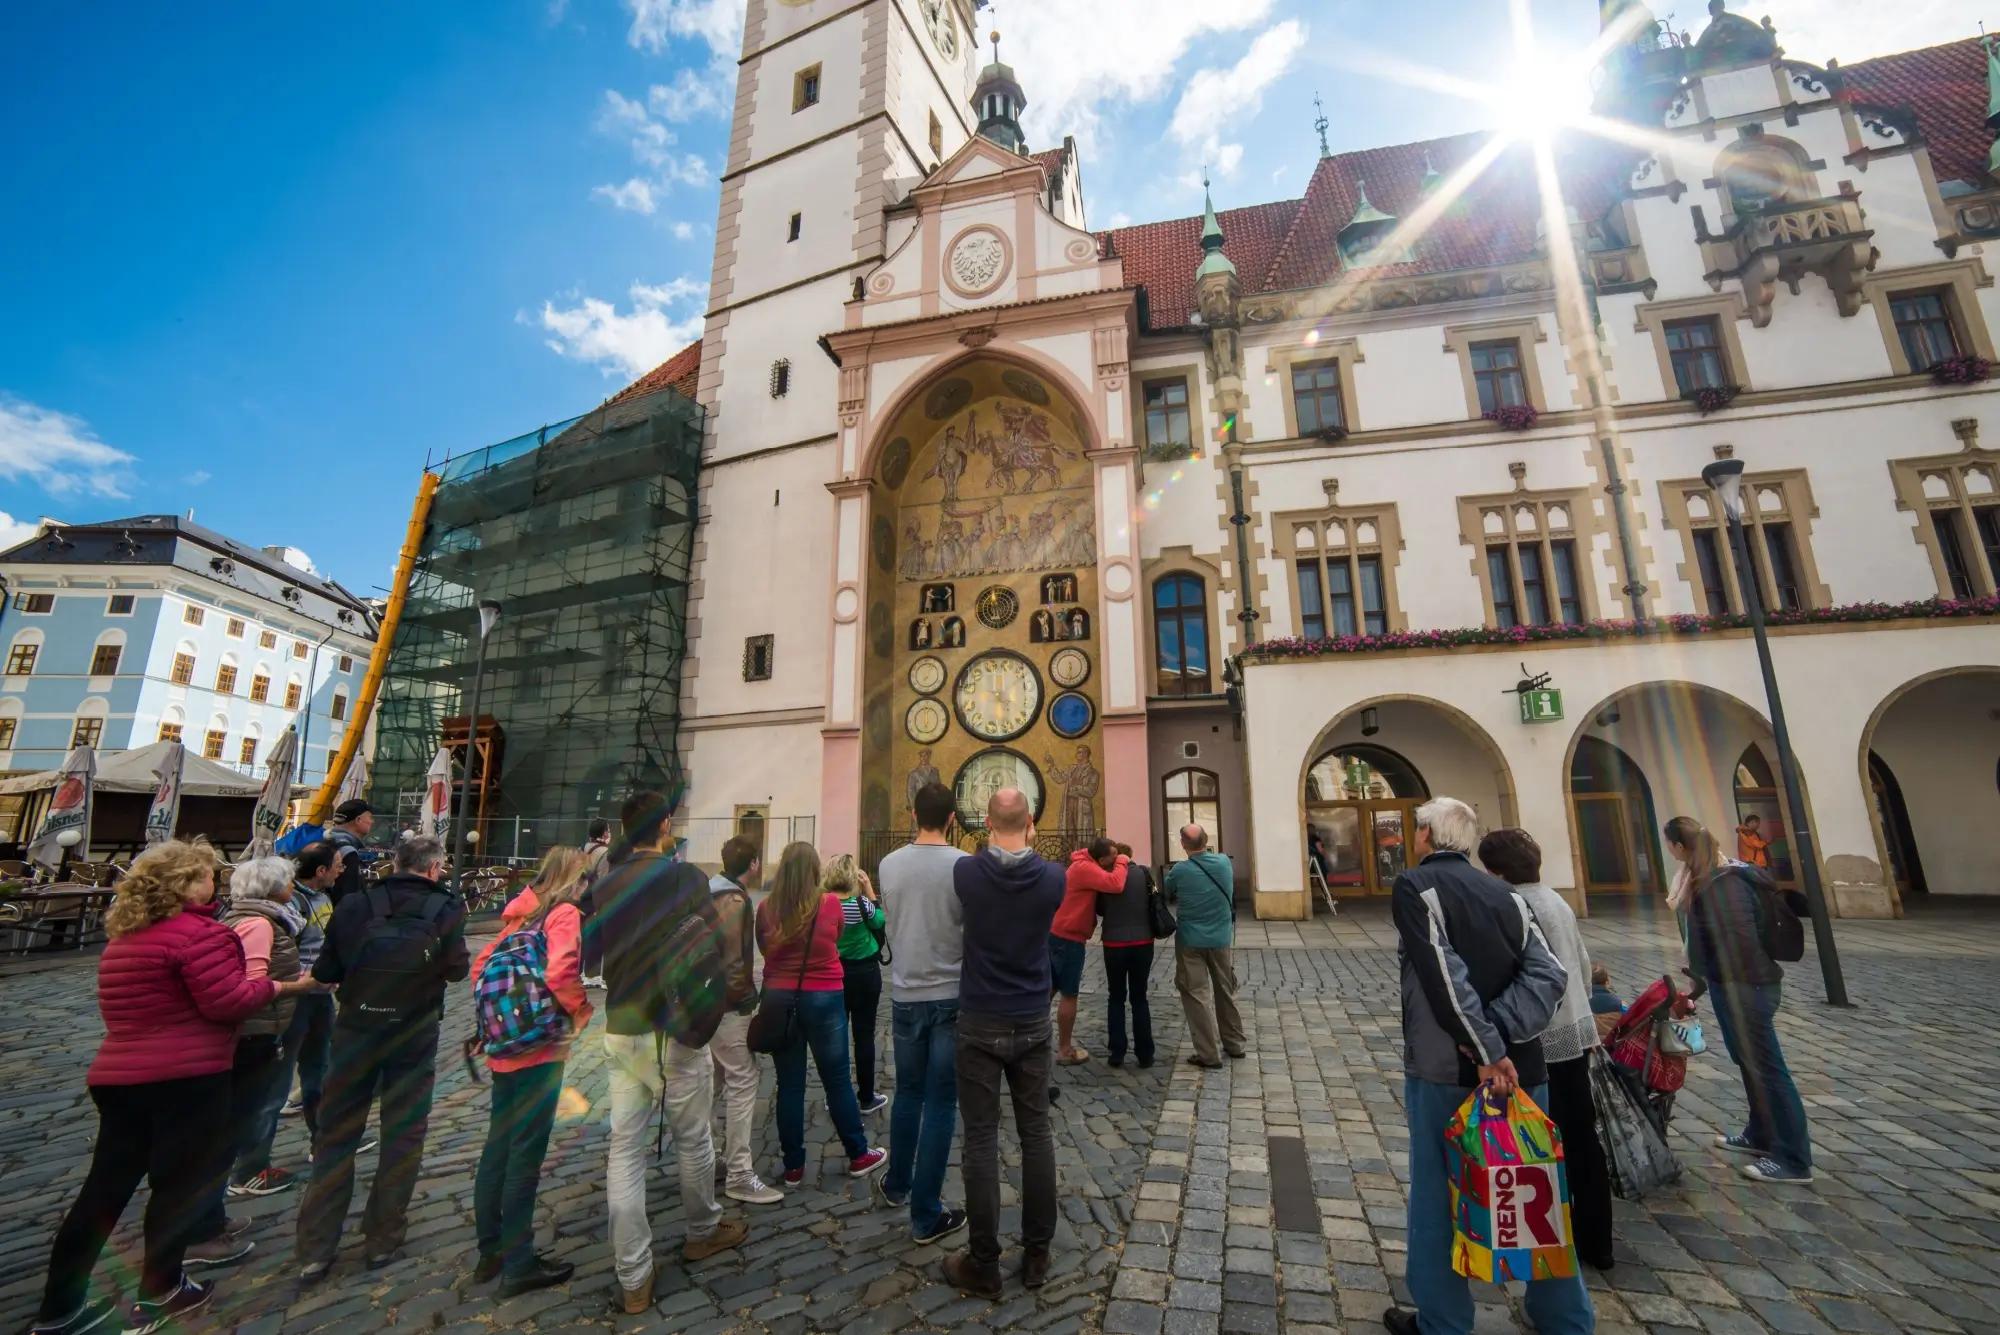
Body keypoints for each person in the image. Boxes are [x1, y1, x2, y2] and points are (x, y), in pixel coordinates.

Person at [31, 840, 319, 1335]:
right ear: (185, 884)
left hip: (120, 1074)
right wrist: (284, 987)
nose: (216, 883)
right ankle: (162, 1288)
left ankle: (60, 1306)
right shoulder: (197, 935)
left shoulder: (126, 936)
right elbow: (228, 1002)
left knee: (103, 1190)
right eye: (208, 876)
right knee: (178, 1187)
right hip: (186, 1076)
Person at [1380, 798, 1587, 1335]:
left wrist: (1486, 1049)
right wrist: (1505, 1040)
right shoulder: (1506, 893)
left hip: (1453, 1070)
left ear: (1425, 835)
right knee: (1538, 1187)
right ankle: (1563, 1316)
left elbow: (1442, 976)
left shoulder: (1414, 888)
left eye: (1417, 829)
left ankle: (1443, 1320)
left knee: (1435, 1195)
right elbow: (1550, 974)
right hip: (1524, 1068)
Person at [595, 790, 744, 1314]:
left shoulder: (606, 882)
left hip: (624, 1023)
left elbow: (592, 957)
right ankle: (702, 1228)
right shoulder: (685, 879)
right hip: (679, 1025)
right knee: (693, 1136)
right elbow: (714, 943)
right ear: (662, 826)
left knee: (625, 1149)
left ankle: (634, 1277)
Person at [296, 835, 469, 1282]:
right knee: (403, 1135)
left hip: (355, 1029)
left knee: (335, 1136)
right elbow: (456, 970)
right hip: (413, 1032)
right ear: (433, 869)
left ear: (396, 863)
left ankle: (317, 1247)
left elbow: (325, 972)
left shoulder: (354, 904)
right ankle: (382, 1238)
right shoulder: (446, 907)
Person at [942, 788, 1064, 1300]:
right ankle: (1036, 1253)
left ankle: (984, 1262)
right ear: (1031, 822)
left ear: (987, 823)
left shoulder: (967, 873)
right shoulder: (1054, 878)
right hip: (1033, 1017)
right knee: (1035, 1134)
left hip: (981, 1018)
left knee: (981, 1140)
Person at [1477, 828, 1614, 1271]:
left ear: (1497, 872)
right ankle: (1598, 1240)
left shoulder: (1518, 905)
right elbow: (1584, 965)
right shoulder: (1556, 900)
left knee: (1538, 1139)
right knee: (1581, 1136)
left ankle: (1543, 1231)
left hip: (1540, 1039)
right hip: (1575, 1031)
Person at [468, 847, 594, 1296]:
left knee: (497, 1147)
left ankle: (491, 1251)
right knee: (526, 1153)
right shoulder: (562, 915)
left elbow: (480, 968)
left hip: (504, 1047)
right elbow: (561, 971)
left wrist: (498, 1019)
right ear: (574, 879)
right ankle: (519, 1263)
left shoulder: (520, 913)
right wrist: (580, 1013)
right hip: (540, 1047)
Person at [1665, 815, 1814, 1184]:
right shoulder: (1704, 878)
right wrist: (1701, 983)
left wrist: (1729, 982)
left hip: (1747, 987)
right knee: (1748, 1061)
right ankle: (1761, 1133)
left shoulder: (1724, 883)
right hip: (1729, 983)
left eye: (1670, 844)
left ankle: (1794, 1158)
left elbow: (1740, 941)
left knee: (1768, 1067)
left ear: (1680, 848)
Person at [758, 843, 888, 1191]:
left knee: (789, 1085)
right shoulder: (829, 905)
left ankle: (793, 1167)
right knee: (836, 1078)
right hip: (824, 994)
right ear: (815, 872)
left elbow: (763, 948)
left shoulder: (765, 908)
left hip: (780, 998)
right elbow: (836, 937)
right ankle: (858, 1154)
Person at [876, 782, 969, 1243]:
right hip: (951, 993)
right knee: (941, 1100)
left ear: (913, 814)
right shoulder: (963, 866)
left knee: (908, 1093)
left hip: (905, 993)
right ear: (952, 818)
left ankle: (897, 1183)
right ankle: (926, 1213)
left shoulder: (888, 864)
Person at [209, 857, 304, 1214]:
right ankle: (247, 1172)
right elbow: (252, 983)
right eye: (289, 881)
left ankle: (241, 1173)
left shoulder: (246, 917)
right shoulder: (259, 924)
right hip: (257, 1027)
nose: (293, 887)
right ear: (273, 888)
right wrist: (299, 984)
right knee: (255, 1104)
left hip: (256, 1025)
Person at [708, 836, 784, 1206]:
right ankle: (738, 1171)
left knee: (715, 1080)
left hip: (706, 1004)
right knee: (742, 1080)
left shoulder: (709, 890)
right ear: (753, 863)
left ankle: (708, 1159)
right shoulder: (734, 900)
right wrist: (744, 999)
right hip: (726, 1006)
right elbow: (733, 958)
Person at [271, 842, 343, 1150]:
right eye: (338, 864)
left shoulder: (324, 897)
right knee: (280, 1076)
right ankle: (253, 1165)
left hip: (320, 996)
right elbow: (281, 951)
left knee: (320, 1066)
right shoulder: (291, 903)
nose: (343, 869)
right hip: (294, 997)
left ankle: (322, 1138)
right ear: (321, 870)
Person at [1163, 825, 1244, 1069]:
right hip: (1220, 939)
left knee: (1196, 994)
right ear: (1206, 841)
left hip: (1191, 940)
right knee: (1225, 989)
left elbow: (1166, 891)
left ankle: (1208, 1053)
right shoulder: (1223, 863)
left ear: (1183, 844)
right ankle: (1235, 1043)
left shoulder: (1181, 870)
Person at [1051, 837, 1124, 1065]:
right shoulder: (1086, 868)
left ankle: (1027, 1041)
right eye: (1111, 857)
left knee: (1048, 989)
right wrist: (1123, 862)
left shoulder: (1081, 863)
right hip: (1068, 937)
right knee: (1069, 994)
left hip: (1057, 933)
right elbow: (1116, 884)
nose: (1114, 861)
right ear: (1101, 858)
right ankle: (1064, 1049)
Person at [828, 853, 890, 1114]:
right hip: (865, 974)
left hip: (836, 974)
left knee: (836, 1037)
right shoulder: (862, 904)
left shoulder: (826, 904)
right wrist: (870, 890)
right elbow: (879, 921)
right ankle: (866, 1096)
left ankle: (837, 1097)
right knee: (864, 1035)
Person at [1101, 842, 1155, 1068]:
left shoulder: (1106, 877)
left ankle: (1117, 1051)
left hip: (1114, 943)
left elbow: (1099, 909)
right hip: (1143, 941)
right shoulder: (1144, 874)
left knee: (1116, 996)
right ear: (1130, 856)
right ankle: (1145, 1053)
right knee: (1139, 996)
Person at [578, 818, 612, 988]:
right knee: (596, 938)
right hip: (595, 900)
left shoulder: (583, 849)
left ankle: (581, 973)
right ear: (604, 832)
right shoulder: (605, 853)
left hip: (580, 898)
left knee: (581, 937)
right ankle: (593, 974)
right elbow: (604, 881)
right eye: (608, 829)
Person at [324, 799, 374, 905]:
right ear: (358, 820)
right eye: (370, 818)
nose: (372, 822)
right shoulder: (348, 853)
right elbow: (348, 897)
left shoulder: (326, 841)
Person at [1590, 963, 1626, 1041]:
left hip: (1589, 1044)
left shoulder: (1582, 1003)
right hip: (1611, 1043)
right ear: (1607, 982)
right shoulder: (1620, 1004)